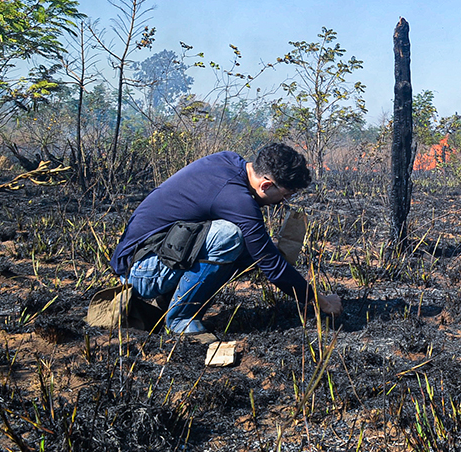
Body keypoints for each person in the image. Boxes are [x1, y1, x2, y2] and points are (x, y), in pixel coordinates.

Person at [110, 143, 343, 334]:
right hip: (139, 271)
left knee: (247, 248)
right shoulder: (237, 198)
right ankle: (181, 320)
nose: (281, 203)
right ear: (266, 185)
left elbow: (260, 254)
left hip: (152, 257)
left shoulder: (228, 160)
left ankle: (169, 302)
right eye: (283, 196)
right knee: (229, 236)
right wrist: (319, 301)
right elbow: (271, 266)